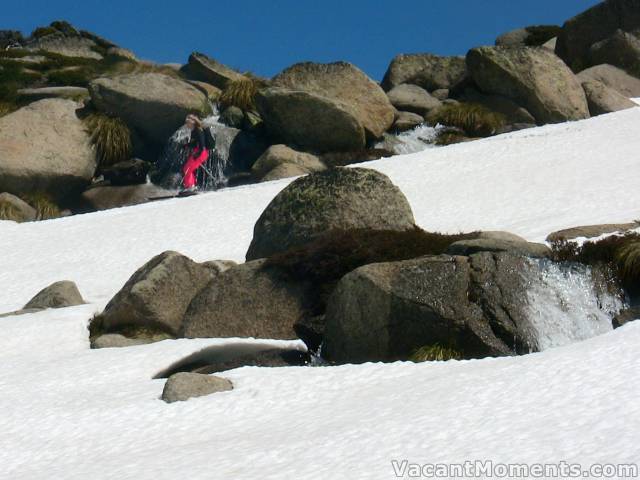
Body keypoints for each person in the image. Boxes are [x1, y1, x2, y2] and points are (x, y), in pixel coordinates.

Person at [181, 114, 209, 192]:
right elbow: (194, 143)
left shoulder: (198, 130)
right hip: (199, 152)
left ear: (192, 122)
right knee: (187, 168)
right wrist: (186, 145)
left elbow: (202, 143)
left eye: (187, 123)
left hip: (201, 153)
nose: (187, 125)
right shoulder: (194, 131)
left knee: (187, 168)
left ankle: (190, 186)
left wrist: (198, 154)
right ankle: (190, 186)